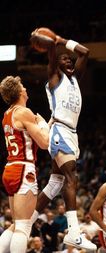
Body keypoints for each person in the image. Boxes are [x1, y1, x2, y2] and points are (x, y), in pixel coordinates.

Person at [30, 29, 96, 251]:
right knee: (71, 177)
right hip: (59, 130)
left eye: (69, 59)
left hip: (72, 133)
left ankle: (27, 221)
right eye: (64, 59)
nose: (69, 60)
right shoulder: (54, 77)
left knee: (56, 183)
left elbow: (85, 53)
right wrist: (53, 43)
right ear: (56, 65)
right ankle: (74, 233)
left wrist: (63, 41)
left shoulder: (74, 78)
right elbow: (51, 51)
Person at [0, 75, 49, 253]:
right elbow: (44, 143)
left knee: (15, 225)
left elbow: (29, 136)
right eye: (23, 86)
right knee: (23, 226)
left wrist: (43, 124)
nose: (26, 89)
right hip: (24, 169)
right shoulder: (24, 112)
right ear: (19, 91)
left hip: (11, 168)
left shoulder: (7, 114)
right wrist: (43, 124)